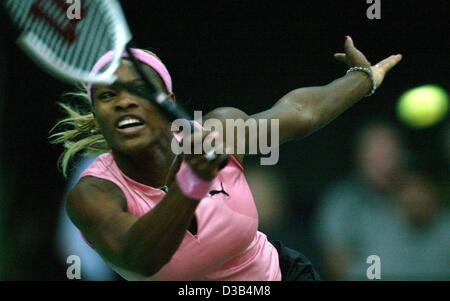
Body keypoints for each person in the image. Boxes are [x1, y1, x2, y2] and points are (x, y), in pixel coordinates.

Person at [50, 36, 402, 280]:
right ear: (97, 115)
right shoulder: (93, 195)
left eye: (138, 90)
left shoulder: (221, 131)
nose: (123, 101)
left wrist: (364, 78)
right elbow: (139, 259)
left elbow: (297, 113)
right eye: (108, 95)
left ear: (167, 100)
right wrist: (191, 183)